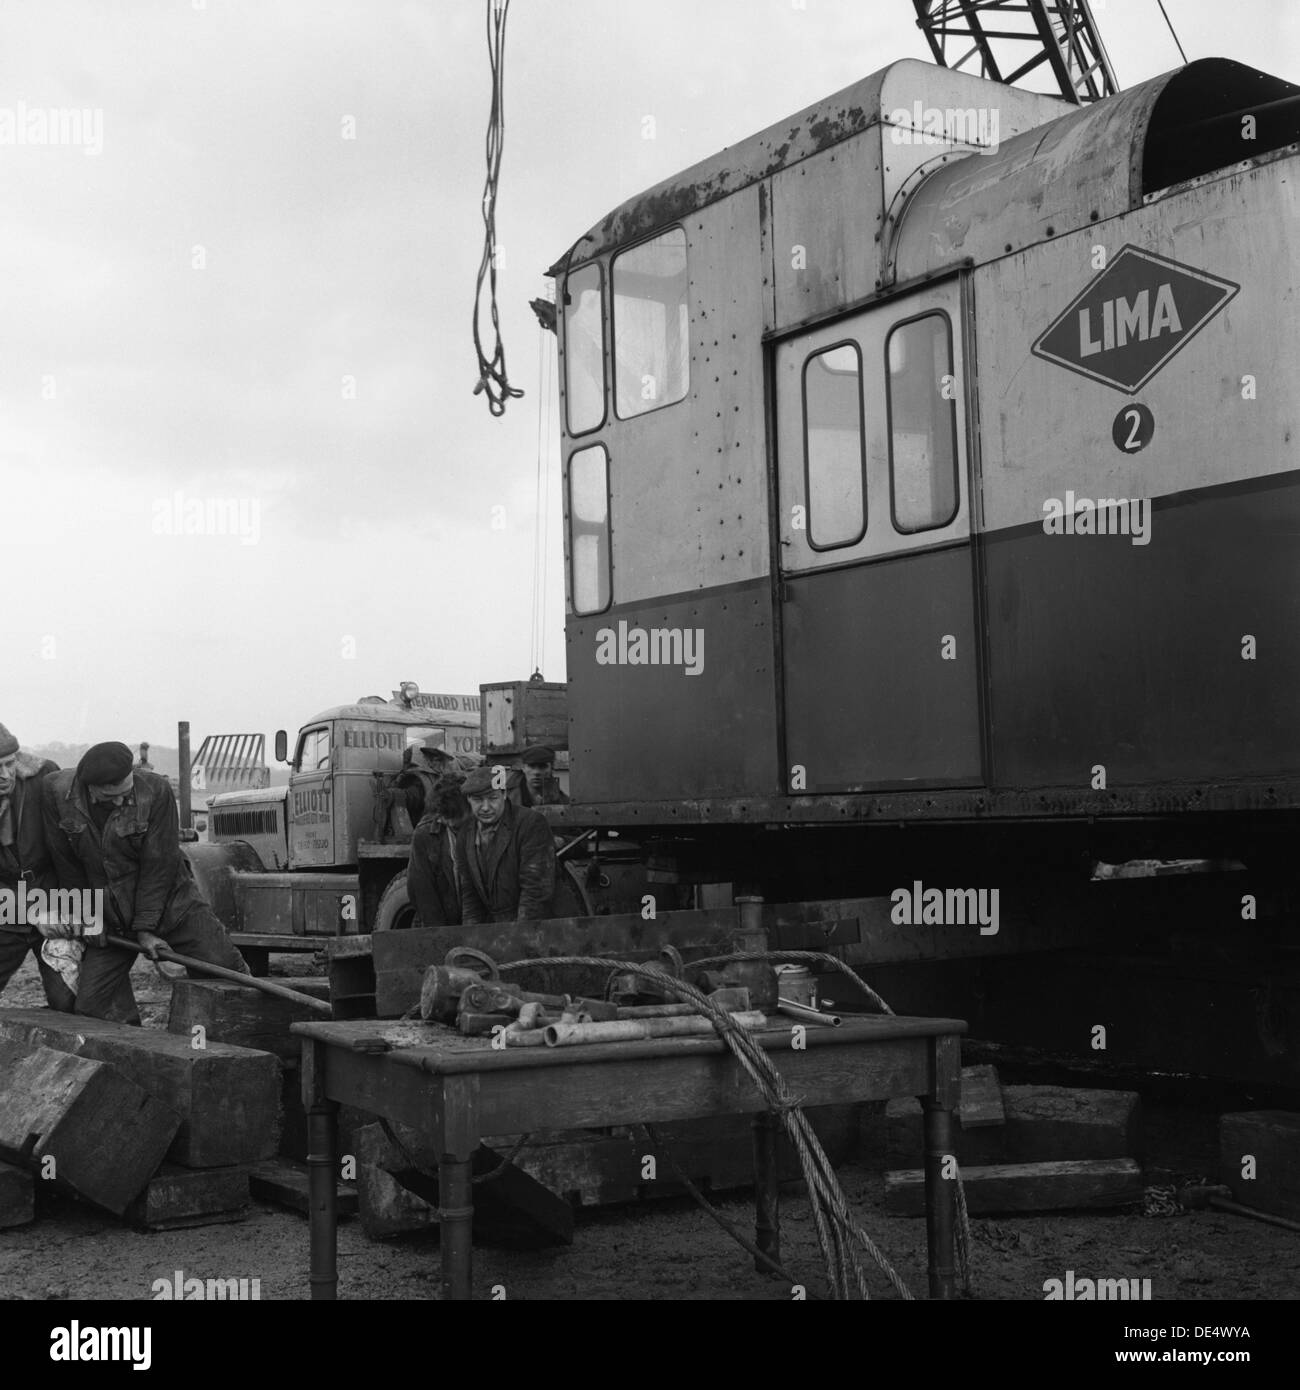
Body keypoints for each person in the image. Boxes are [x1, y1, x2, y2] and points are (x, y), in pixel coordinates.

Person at [42, 741, 249, 1024]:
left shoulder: (155, 791)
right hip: (111, 917)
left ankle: (251, 1039)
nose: (120, 802)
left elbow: (159, 866)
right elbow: (67, 865)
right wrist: (89, 916)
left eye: (126, 793)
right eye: (111, 797)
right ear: (90, 788)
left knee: (229, 974)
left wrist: (145, 929)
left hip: (174, 906)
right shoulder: (56, 792)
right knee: (91, 1008)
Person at [0, 723, 76, 1011]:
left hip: (54, 894)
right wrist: (32, 910)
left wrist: (69, 905)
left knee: (69, 999)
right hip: (4, 902)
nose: (5, 775)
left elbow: (72, 847)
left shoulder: (45, 777)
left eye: (9, 764)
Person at [453, 765, 556, 924]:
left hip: (533, 928)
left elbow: (535, 892)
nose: (486, 807)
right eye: (478, 800)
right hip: (496, 930)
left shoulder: (531, 824)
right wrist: (472, 937)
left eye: (493, 798)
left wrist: (519, 940)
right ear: (468, 800)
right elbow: (470, 896)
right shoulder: (465, 834)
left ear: (504, 794)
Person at [407, 779, 470, 928]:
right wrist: (438, 935)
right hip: (442, 925)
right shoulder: (425, 836)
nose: (451, 824)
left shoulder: (484, 829)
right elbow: (423, 892)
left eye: (457, 817)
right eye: (445, 817)